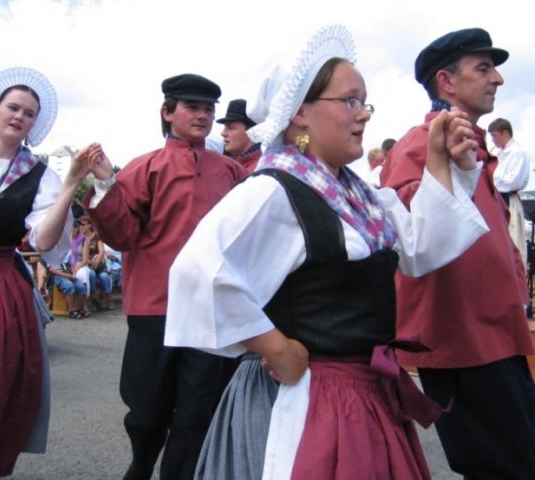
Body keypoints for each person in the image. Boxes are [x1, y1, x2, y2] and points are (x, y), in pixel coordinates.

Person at [164, 24, 488, 480]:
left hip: (361, 395)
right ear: (299, 113)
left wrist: (443, 163)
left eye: (365, 102)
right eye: (350, 101)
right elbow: (197, 272)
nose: (364, 114)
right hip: (309, 401)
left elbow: (419, 249)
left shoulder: (360, 196)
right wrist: (275, 347)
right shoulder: (275, 191)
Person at [75, 73, 247, 480]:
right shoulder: (143, 168)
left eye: (209, 109)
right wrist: (105, 183)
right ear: (168, 112)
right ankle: (140, 465)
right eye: (192, 107)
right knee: (147, 410)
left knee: (196, 413)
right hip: (156, 307)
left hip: (210, 310)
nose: (203, 116)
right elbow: (121, 235)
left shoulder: (232, 171)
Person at [380, 27, 535, 479]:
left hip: (494, 338)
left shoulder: (469, 142)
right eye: (483, 68)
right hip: (462, 346)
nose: (498, 79)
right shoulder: (420, 142)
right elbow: (409, 238)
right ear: (446, 81)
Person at [0, 66, 87, 478]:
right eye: (13, 107)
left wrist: (68, 188)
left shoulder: (41, 177)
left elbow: (43, 242)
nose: (19, 116)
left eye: (28, 113)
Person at [488, 117, 530, 268]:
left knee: (513, 244)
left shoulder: (518, 153)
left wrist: (491, 173)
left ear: (505, 133)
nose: (493, 140)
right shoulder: (496, 153)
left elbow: (514, 181)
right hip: (495, 201)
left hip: (509, 201)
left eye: (494, 136)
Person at [217, 98, 262, 172]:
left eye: (231, 128)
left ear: (251, 131)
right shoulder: (233, 164)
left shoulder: (260, 169)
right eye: (225, 127)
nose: (223, 133)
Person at [80, 215, 114, 310]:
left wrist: (97, 261)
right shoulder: (79, 238)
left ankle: (109, 299)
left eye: (83, 224)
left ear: (90, 225)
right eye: (80, 224)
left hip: (97, 263)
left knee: (104, 276)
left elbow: (102, 251)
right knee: (91, 275)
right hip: (86, 263)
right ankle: (94, 299)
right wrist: (90, 262)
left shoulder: (97, 236)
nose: (81, 226)